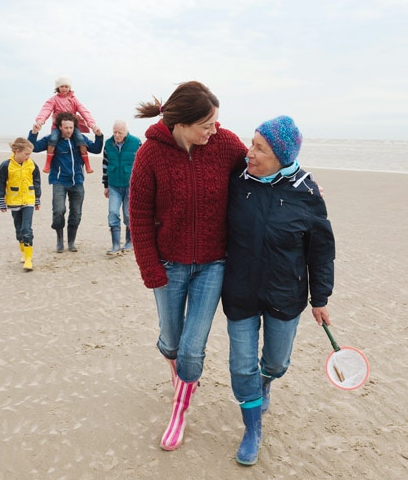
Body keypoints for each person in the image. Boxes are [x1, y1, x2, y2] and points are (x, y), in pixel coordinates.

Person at [129, 81, 248, 451]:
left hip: (213, 264)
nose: (214, 130)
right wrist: (151, 269)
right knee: (172, 340)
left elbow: (259, 169)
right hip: (168, 264)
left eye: (216, 122)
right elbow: (139, 215)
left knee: (192, 350)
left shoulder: (225, 144)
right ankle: (177, 366)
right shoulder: (149, 154)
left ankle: (179, 410)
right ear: (182, 123)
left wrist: (301, 184)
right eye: (206, 124)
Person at [221, 115, 335, 465]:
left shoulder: (308, 193)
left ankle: (266, 382)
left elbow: (321, 251)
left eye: (259, 148)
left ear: (282, 157)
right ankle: (253, 428)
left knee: (276, 362)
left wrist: (320, 298)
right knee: (242, 368)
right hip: (240, 291)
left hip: (285, 295)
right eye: (251, 143)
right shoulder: (236, 180)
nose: (249, 153)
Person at [29, 112, 104, 253]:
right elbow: (34, 147)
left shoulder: (79, 140)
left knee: (76, 213)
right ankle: (59, 240)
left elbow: (96, 149)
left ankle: (71, 242)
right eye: (66, 128)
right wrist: (34, 132)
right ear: (60, 127)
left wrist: (99, 135)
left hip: (77, 181)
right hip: (59, 181)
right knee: (58, 211)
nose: (69, 130)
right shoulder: (52, 140)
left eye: (71, 127)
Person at [0, 137, 42, 271]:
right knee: (19, 229)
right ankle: (22, 252)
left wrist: (37, 198)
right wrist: (1, 201)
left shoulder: (32, 164)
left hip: (29, 201)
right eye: (26, 154)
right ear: (17, 151)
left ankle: (28, 259)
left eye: (30, 154)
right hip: (14, 201)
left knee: (27, 229)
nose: (28, 157)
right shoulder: (6, 165)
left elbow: (36, 181)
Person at [34, 75, 100, 175]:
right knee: (52, 139)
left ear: (69, 88)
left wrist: (92, 124)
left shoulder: (74, 99)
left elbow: (84, 111)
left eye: (66, 86)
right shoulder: (54, 99)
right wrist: (40, 120)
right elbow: (46, 110)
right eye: (62, 86)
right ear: (58, 88)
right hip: (58, 126)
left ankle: (87, 165)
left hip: (72, 125)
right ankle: (47, 164)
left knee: (81, 140)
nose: (64, 89)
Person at [102, 120, 141, 255]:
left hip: (131, 186)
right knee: (113, 212)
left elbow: (142, 166)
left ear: (126, 132)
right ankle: (115, 245)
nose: (117, 135)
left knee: (128, 214)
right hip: (113, 186)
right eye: (114, 132)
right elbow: (105, 165)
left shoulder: (136, 143)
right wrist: (105, 185)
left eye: (120, 132)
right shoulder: (108, 144)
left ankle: (129, 242)